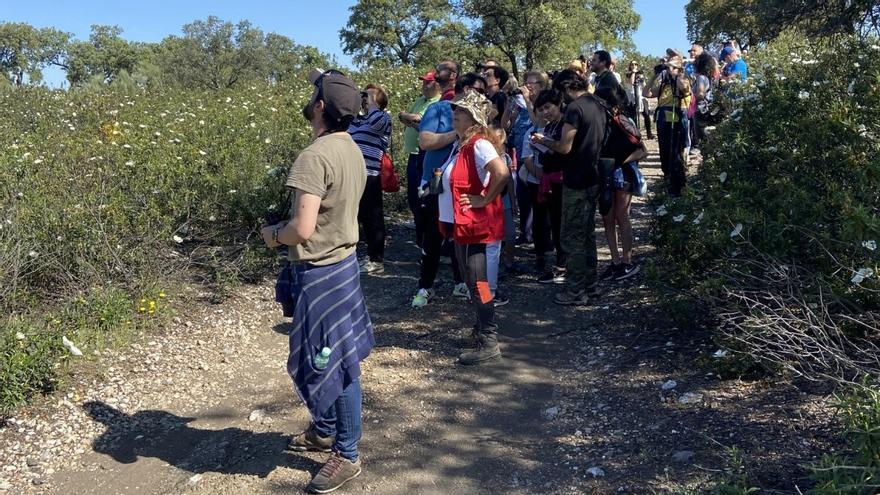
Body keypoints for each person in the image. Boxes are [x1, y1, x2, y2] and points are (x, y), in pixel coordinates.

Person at [262, 68, 373, 494]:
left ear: (321, 107)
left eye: (314, 93)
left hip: (321, 271)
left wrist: (272, 236)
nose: (309, 98)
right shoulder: (351, 149)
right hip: (344, 264)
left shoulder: (313, 156)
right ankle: (325, 429)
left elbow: (301, 229)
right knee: (328, 356)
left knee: (338, 363)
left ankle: (347, 453)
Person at [438, 90, 510, 364]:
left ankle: (489, 340)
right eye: (456, 109)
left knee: (478, 283)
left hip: (474, 227)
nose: (455, 113)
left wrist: (484, 198)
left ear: (475, 119)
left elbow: (501, 173)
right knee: (472, 282)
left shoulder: (479, 144)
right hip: (462, 226)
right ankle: (481, 329)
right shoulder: (463, 145)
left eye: (462, 111)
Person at [411, 73, 487, 308]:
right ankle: (426, 287)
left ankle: (473, 295)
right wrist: (457, 132)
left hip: (466, 198)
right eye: (476, 90)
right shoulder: (441, 110)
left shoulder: (479, 131)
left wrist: (488, 197)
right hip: (438, 189)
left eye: (483, 92)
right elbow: (424, 142)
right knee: (434, 238)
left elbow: (499, 170)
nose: (480, 96)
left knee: (468, 249)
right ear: (463, 89)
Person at [533, 69, 607, 306]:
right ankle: (592, 285)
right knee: (587, 235)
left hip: (576, 179)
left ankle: (575, 291)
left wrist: (543, 141)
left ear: (566, 87)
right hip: (593, 175)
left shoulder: (575, 109)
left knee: (573, 237)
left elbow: (564, 147)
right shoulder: (598, 103)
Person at [595, 86, 647, 281]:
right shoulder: (600, 122)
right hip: (606, 173)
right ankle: (615, 261)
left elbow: (642, 150)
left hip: (621, 174)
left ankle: (627, 260)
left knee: (621, 216)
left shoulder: (624, 122)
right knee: (607, 217)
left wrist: (619, 161)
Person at [522, 89, 567, 284]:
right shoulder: (548, 127)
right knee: (550, 222)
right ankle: (558, 262)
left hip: (563, 181)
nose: (545, 112)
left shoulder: (565, 125)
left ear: (559, 104)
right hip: (547, 180)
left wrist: (545, 143)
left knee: (561, 224)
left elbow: (564, 151)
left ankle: (564, 265)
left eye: (548, 107)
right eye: (541, 109)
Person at [348, 84, 392, 274]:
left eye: (368, 95)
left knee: (372, 219)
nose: (364, 97)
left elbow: (376, 124)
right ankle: (350, 255)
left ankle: (376, 259)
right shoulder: (355, 121)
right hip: (349, 176)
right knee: (349, 217)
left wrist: (374, 102)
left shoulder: (383, 118)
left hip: (369, 176)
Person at [399, 71, 441, 248]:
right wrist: (410, 118)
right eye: (423, 82)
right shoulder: (420, 101)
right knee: (413, 196)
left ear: (437, 84)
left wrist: (410, 118)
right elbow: (404, 116)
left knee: (426, 197)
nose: (424, 85)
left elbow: (418, 121)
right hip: (413, 154)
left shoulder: (437, 103)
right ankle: (420, 237)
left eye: (428, 83)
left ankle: (430, 240)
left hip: (426, 155)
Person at [647, 54, 691, 196]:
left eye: (670, 67)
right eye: (667, 67)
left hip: (675, 120)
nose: (667, 69)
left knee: (675, 152)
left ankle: (678, 184)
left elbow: (684, 89)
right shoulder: (663, 84)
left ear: (678, 68)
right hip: (662, 119)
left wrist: (676, 73)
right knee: (664, 151)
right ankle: (667, 179)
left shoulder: (681, 80)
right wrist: (654, 76)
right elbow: (645, 93)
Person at [691, 53, 718, 150]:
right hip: (706, 110)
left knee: (702, 139)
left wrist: (690, 98)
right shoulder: (709, 78)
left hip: (699, 111)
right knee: (707, 139)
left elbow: (701, 94)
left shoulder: (701, 78)